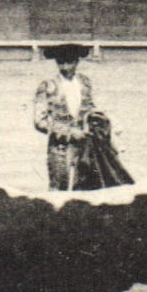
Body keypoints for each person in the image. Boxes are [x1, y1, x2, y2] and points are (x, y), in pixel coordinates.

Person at [33, 43, 95, 191]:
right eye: (61, 62)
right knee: (59, 191)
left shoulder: (84, 83)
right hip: (60, 146)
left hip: (84, 146)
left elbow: (90, 109)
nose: (65, 67)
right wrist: (68, 132)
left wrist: (91, 125)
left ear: (77, 62)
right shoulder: (48, 86)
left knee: (84, 190)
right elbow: (40, 121)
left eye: (70, 62)